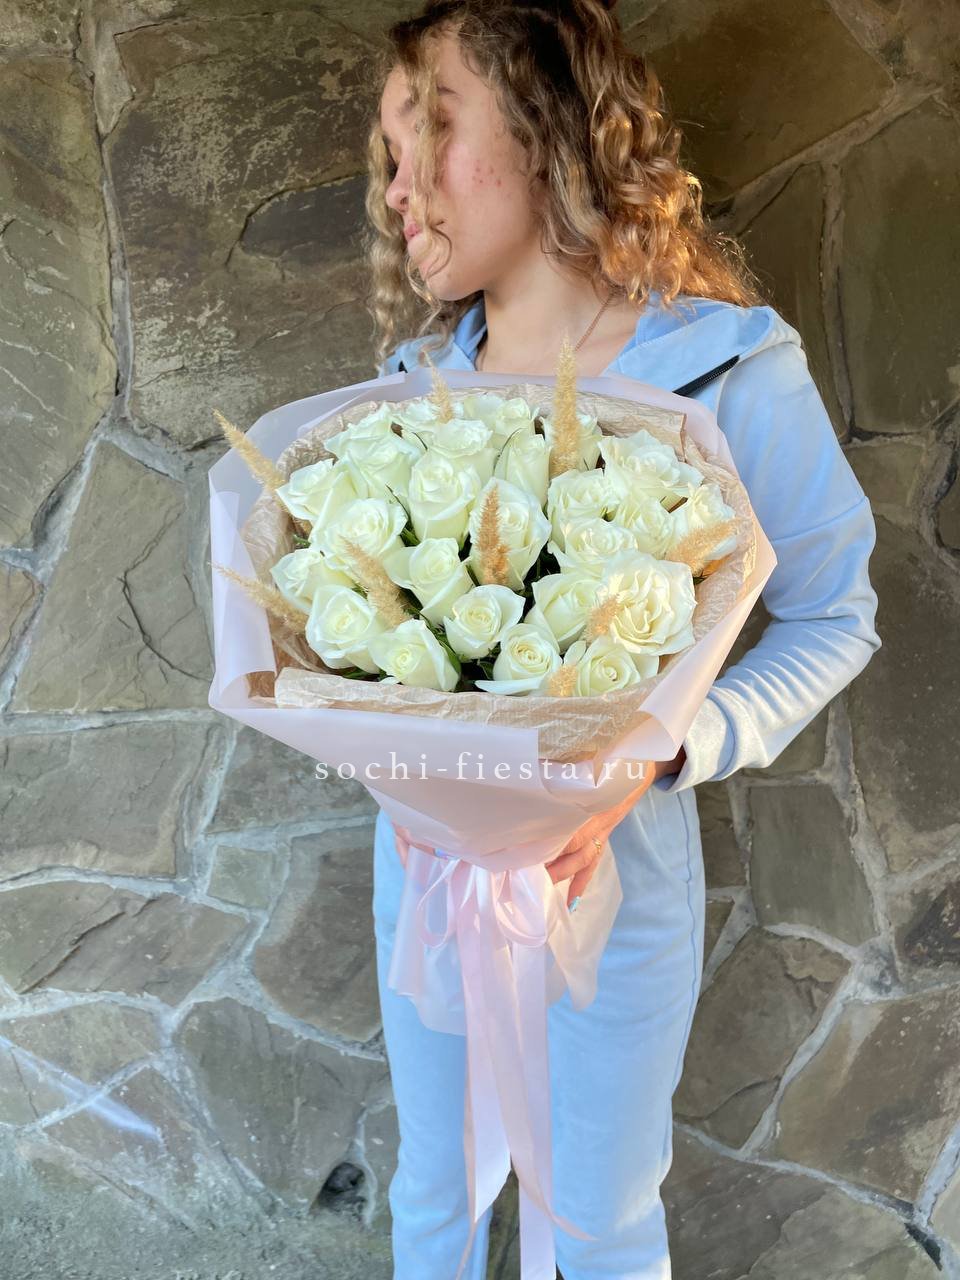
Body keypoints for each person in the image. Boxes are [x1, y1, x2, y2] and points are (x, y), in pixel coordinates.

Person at [364, 2, 882, 1276]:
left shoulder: (725, 366)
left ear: (547, 132)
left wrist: (667, 743)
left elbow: (835, 612)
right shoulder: (406, 401)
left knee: (599, 1218)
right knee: (432, 1192)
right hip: (425, 872)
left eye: (429, 131)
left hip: (618, 880)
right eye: (387, 154)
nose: (397, 189)